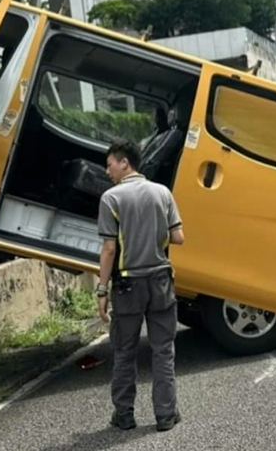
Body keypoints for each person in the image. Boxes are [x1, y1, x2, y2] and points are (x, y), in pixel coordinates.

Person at [96, 140, 185, 432]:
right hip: (160, 281)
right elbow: (179, 237)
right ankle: (165, 414)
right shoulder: (163, 192)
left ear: (125, 163)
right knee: (163, 351)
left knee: (124, 351)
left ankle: (124, 415)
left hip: (127, 285)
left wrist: (101, 290)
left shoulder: (111, 198)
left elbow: (109, 249)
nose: (108, 171)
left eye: (110, 165)